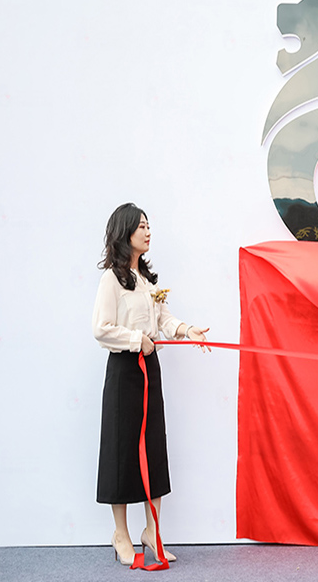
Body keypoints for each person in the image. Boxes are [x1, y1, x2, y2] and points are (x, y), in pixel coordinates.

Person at [92, 203, 210, 565]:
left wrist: (187, 330)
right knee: (122, 451)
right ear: (124, 231)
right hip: (124, 373)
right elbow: (101, 329)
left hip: (150, 371)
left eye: (148, 226)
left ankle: (152, 532)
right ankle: (121, 535)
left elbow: (164, 320)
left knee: (153, 449)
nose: (147, 231)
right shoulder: (111, 280)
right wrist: (135, 340)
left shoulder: (147, 280)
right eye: (141, 226)